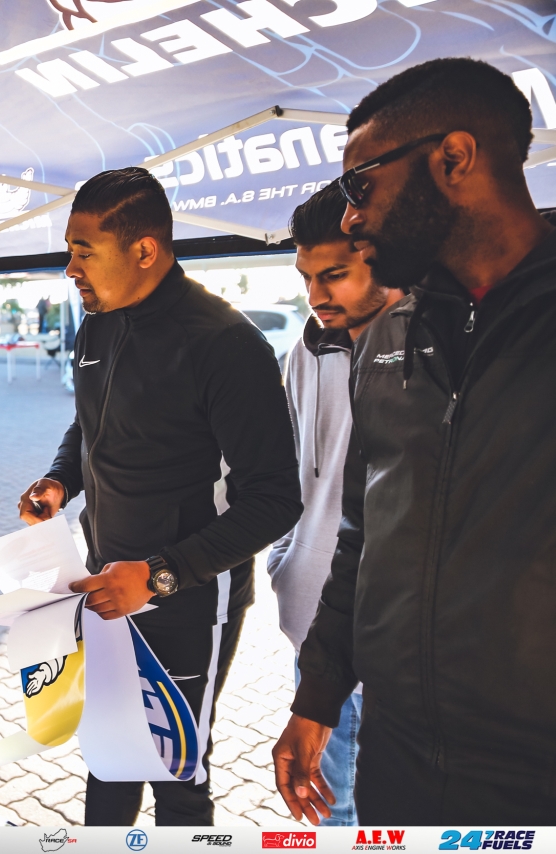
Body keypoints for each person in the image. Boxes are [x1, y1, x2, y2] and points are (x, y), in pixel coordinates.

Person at [274, 58, 556, 824]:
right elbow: (363, 536)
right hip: (397, 765)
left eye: (361, 186)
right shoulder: (387, 340)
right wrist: (318, 693)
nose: (351, 218)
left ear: (454, 159)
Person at [19, 167, 301, 826]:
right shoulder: (98, 323)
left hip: (187, 599)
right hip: (103, 586)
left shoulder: (226, 343)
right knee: (108, 758)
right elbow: (90, 425)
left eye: (84, 252)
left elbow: (275, 499)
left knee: (176, 777)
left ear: (144, 250)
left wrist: (157, 575)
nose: (70, 269)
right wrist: (61, 480)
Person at [264, 183, 402, 827]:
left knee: (394, 816)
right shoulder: (304, 351)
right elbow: (291, 470)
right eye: (307, 277)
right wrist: (287, 559)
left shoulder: (433, 354)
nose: (315, 295)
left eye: (335, 275)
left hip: (401, 643)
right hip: (315, 628)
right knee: (332, 813)